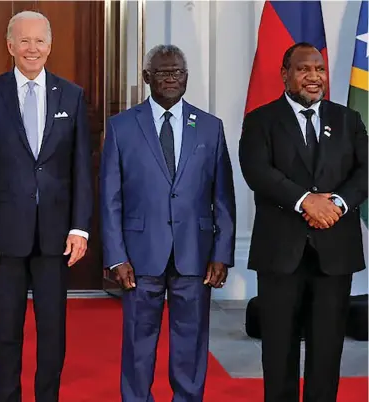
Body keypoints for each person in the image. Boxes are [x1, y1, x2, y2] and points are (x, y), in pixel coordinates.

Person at [0, 10, 93, 402]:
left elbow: (82, 167)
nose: (31, 48)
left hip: (56, 236)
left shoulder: (72, 95)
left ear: (49, 46)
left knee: (53, 329)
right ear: (9, 46)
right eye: (24, 40)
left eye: (39, 41)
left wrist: (80, 227)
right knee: (6, 329)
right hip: (3, 236)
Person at [100, 44, 236, 401]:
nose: (172, 78)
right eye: (163, 72)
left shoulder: (210, 127)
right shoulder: (121, 127)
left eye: (178, 72)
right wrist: (116, 256)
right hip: (140, 254)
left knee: (191, 342)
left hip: (195, 253)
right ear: (147, 78)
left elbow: (223, 198)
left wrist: (222, 253)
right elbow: (110, 198)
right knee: (137, 341)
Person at [239, 42, 367, 402]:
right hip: (281, 251)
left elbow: (365, 171)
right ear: (285, 75)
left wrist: (337, 204)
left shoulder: (348, 119)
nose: (314, 77)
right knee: (278, 348)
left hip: (335, 251)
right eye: (304, 70)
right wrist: (305, 201)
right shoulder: (261, 120)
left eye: (320, 70)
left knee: (327, 348)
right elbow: (257, 171)